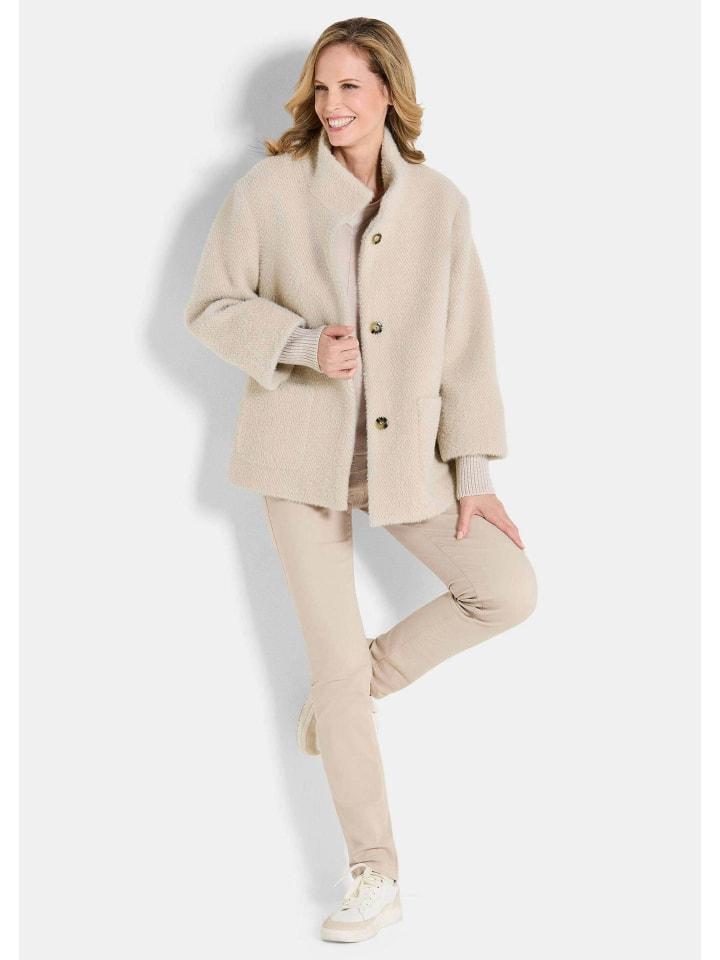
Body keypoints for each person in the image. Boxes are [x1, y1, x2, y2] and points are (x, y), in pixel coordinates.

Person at [184, 17, 538, 944]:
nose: (333, 105)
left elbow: (466, 348)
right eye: (323, 86)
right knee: (334, 664)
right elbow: (210, 306)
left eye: (351, 86)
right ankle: (376, 874)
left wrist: (472, 472)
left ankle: (344, 693)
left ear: (389, 92)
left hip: (406, 459)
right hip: (297, 460)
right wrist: (301, 344)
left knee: (506, 590)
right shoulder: (269, 191)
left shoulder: (440, 204)